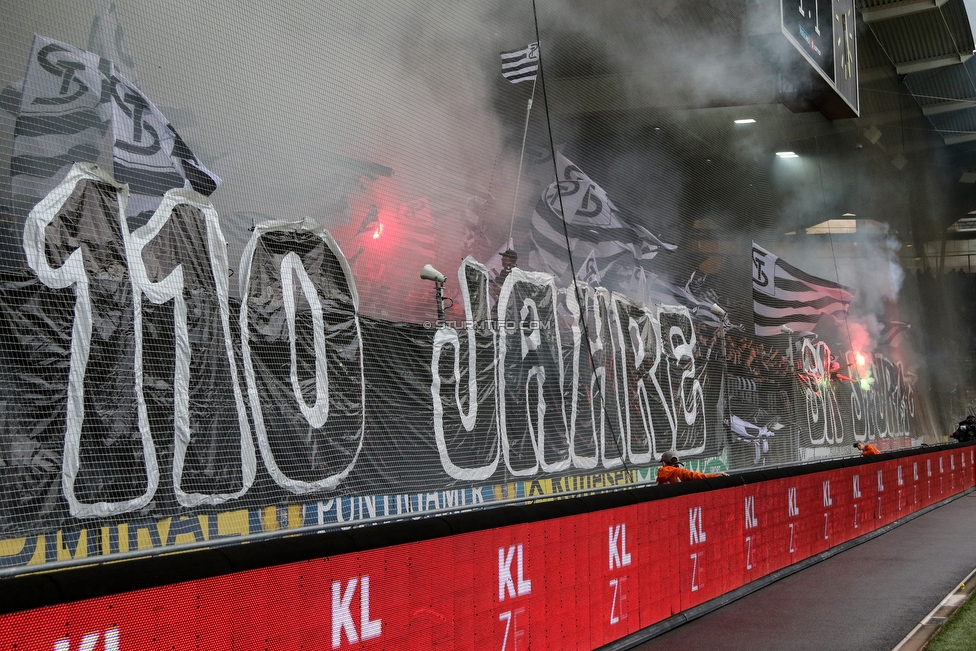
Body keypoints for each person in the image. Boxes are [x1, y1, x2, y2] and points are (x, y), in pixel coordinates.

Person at [657, 450, 729, 484]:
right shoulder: (680, 472)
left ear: (663, 463)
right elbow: (696, 476)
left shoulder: (660, 476)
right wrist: (715, 475)